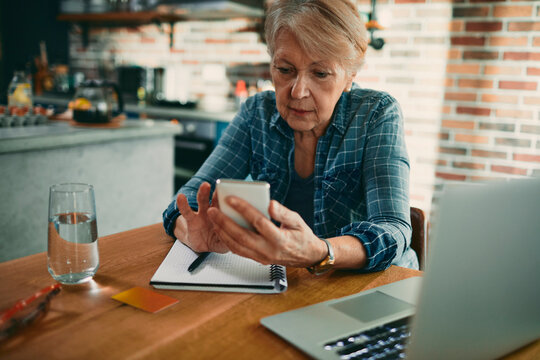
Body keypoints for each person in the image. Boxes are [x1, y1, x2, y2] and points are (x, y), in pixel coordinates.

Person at [163, 0, 419, 273]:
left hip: (373, 285)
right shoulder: (256, 113)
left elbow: (393, 228)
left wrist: (322, 251)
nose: (297, 92)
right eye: (285, 70)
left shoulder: (376, 114)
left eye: (320, 73)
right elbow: (186, 200)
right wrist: (191, 230)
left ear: (350, 76)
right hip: (291, 286)